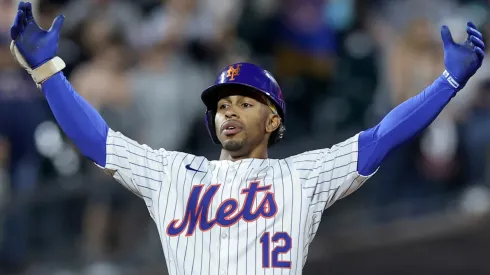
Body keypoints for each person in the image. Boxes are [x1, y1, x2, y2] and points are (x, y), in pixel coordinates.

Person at [8, 2, 485, 274]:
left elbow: (382, 136)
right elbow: (99, 141)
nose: (229, 111)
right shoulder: (173, 173)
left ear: (273, 120)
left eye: (244, 102)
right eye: (222, 104)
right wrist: (49, 72)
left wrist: (448, 83)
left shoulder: (304, 176)